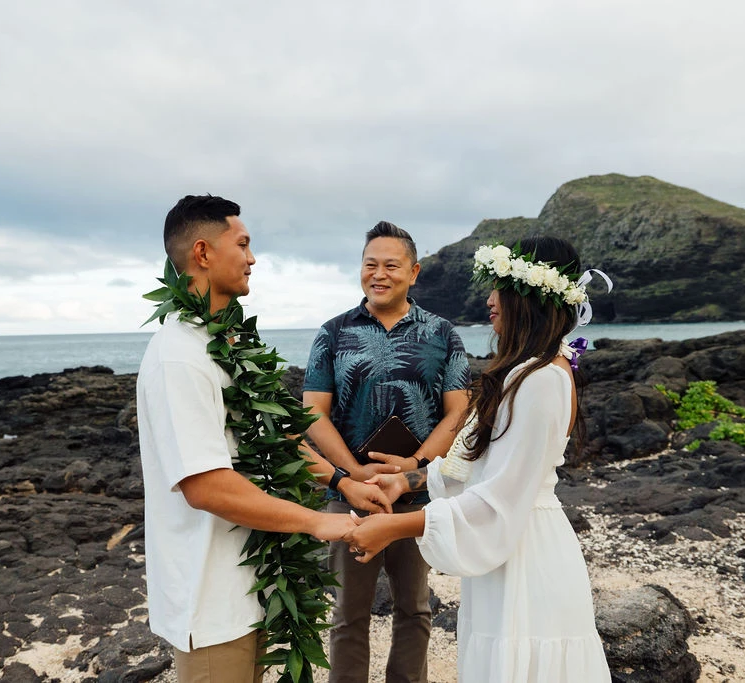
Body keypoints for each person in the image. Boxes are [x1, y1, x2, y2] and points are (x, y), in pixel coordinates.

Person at [137, 195, 393, 683]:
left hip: (255, 586)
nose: (253, 258)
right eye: (243, 244)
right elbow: (206, 486)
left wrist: (343, 484)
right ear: (203, 252)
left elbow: (276, 440)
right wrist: (322, 523)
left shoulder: (228, 344)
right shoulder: (179, 356)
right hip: (211, 601)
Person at [344, 235, 612, 682]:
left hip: (526, 550)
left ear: (528, 298)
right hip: (506, 546)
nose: (489, 300)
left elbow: (499, 497)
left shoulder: (542, 378)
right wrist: (406, 482)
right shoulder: (525, 371)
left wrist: (395, 527)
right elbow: (475, 466)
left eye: (498, 289)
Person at [302, 221, 471, 683]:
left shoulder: (443, 334)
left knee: (415, 608)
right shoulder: (333, 333)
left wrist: (416, 465)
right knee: (348, 610)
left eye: (391, 265)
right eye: (369, 264)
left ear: (413, 272)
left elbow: (458, 411)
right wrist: (352, 473)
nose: (378, 274)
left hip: (418, 495)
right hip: (348, 495)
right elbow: (313, 410)